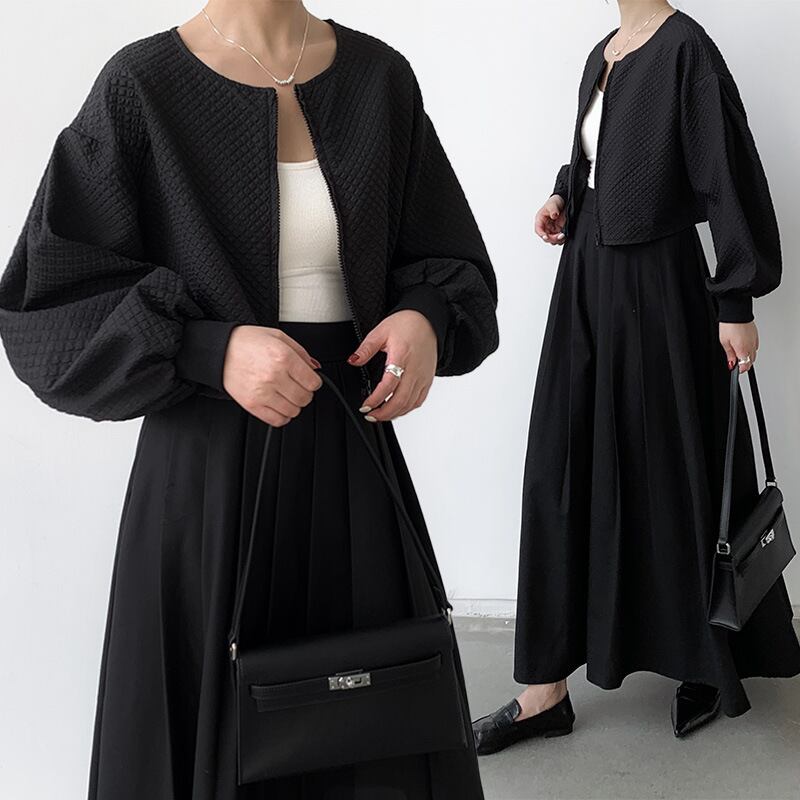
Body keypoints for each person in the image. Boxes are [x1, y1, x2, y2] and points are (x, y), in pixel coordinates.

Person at [0, 2, 498, 797]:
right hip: (208, 476)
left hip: (353, 461)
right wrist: (209, 348)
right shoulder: (142, 85)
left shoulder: (379, 78)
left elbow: (446, 256)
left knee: (377, 721)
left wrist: (426, 315)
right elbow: (47, 303)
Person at [472, 0, 800, 756]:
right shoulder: (605, 50)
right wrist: (565, 192)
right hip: (585, 283)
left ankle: (704, 659)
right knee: (560, 465)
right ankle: (544, 690)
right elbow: (601, 155)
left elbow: (723, 173)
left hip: (659, 290)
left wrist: (736, 300)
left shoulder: (686, 48)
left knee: (670, 466)